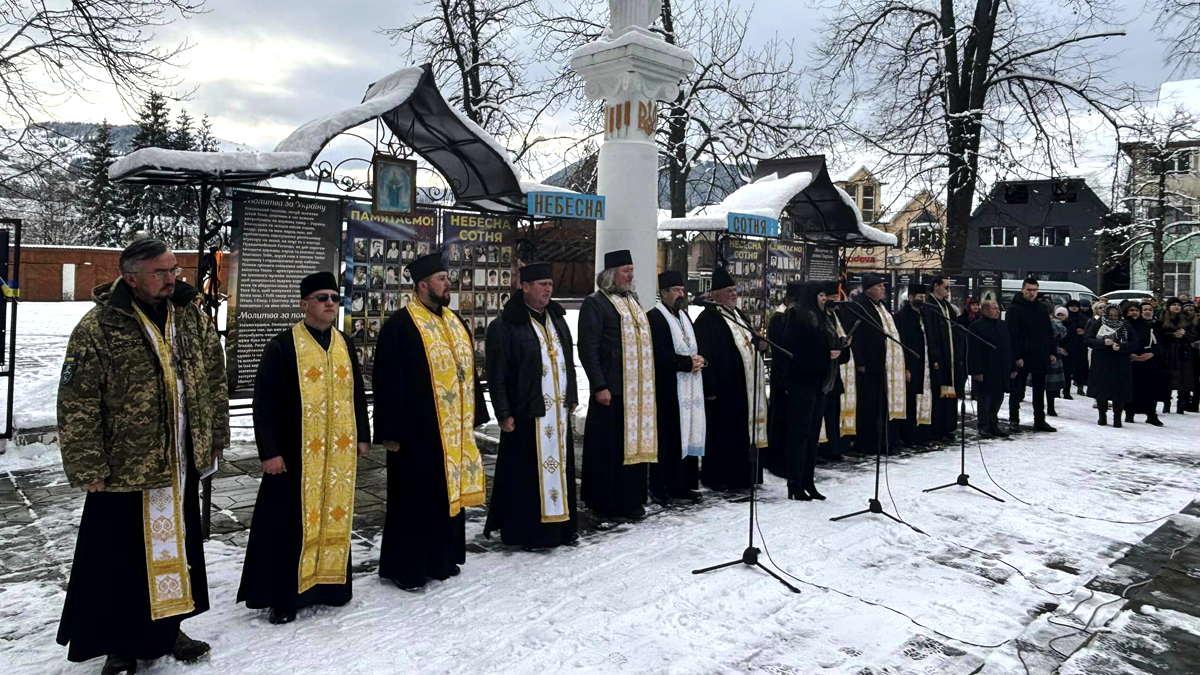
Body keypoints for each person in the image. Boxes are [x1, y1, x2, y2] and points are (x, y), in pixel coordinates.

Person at [56, 238, 228, 674]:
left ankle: (169, 628)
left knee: (179, 548)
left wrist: (215, 437)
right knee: (121, 558)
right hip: (126, 466)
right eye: (161, 272)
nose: (172, 278)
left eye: (174, 270)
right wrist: (87, 465)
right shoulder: (99, 327)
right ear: (130, 277)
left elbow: (213, 379)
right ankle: (120, 644)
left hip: (179, 463)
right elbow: (77, 400)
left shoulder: (191, 317)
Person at [238, 272, 370, 624]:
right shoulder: (282, 346)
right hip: (294, 457)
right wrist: (269, 452)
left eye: (335, 297)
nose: (330, 303)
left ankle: (330, 586)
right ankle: (284, 597)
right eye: (322, 297)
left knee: (333, 518)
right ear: (304, 304)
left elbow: (356, 393)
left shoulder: (344, 343)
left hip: (336, 455)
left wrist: (362, 435)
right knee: (288, 526)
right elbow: (263, 404)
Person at [373, 252, 489, 590]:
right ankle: (406, 569)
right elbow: (387, 382)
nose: (447, 283)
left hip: (452, 433)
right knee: (412, 501)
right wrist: (390, 432)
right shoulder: (400, 325)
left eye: (446, 278)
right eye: (441, 279)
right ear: (423, 285)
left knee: (444, 497)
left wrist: (476, 414)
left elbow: (468, 372)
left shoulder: (454, 321)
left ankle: (441, 559)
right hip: (414, 434)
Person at [484, 263, 580, 550]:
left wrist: (572, 394)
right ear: (524, 287)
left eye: (550, 283)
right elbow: (497, 373)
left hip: (557, 413)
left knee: (559, 469)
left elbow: (567, 360)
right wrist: (503, 413)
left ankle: (561, 528)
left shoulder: (557, 318)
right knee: (525, 477)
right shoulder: (504, 325)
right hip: (527, 413)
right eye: (541, 284)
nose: (548, 289)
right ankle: (526, 532)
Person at [578, 250, 657, 521]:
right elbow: (589, 348)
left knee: (633, 449)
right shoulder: (596, 303)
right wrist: (599, 384)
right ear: (611, 275)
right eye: (626, 270)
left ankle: (631, 499)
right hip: (611, 391)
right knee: (608, 450)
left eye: (632, 270)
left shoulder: (633, 302)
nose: (631, 275)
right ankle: (605, 501)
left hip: (637, 393)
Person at [695, 264, 768, 491]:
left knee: (741, 434)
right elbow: (706, 355)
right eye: (728, 291)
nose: (734, 294)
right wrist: (710, 389)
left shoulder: (737, 314)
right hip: (724, 389)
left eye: (735, 290)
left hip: (744, 387)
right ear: (716, 295)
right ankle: (720, 478)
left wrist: (762, 345)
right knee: (723, 435)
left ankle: (744, 476)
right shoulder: (707, 320)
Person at [782, 282, 846, 501]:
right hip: (803, 382)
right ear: (810, 296)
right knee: (800, 435)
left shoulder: (824, 317)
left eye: (823, 295)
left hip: (821, 383)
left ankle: (808, 481)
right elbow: (796, 350)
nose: (823, 298)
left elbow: (833, 349)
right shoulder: (798, 316)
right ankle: (795, 483)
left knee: (812, 436)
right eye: (819, 294)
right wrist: (826, 354)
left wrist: (842, 347)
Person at [647, 270, 706, 503]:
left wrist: (702, 360)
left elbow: (694, 347)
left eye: (682, 290)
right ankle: (662, 486)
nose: (681, 294)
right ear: (663, 293)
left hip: (690, 386)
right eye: (675, 290)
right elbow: (657, 354)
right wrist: (686, 362)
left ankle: (683, 484)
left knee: (689, 431)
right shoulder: (655, 317)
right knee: (669, 437)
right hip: (669, 389)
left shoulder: (684, 317)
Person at [842, 273, 906, 455]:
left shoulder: (882, 307)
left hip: (887, 365)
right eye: (879, 286)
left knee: (885, 403)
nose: (883, 289)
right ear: (869, 289)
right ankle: (870, 442)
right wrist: (860, 361)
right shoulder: (858, 306)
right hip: (870, 365)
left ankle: (888, 439)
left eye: (884, 286)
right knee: (870, 405)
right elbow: (856, 336)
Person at [1006, 278, 1058, 432]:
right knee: (1017, 390)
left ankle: (1039, 420)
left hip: (1040, 355)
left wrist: (1051, 351)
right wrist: (1016, 356)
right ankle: (1013, 419)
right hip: (1022, 355)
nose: (1031, 293)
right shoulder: (1014, 309)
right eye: (1029, 290)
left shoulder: (1041, 308)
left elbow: (1048, 332)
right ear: (1023, 289)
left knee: (1039, 390)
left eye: (1034, 290)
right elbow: (1012, 335)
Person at [765, 282, 801, 477]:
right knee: (780, 419)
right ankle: (777, 460)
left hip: (793, 376)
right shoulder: (779, 318)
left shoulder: (792, 316)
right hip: (782, 376)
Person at [1085, 303, 1140, 426]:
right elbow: (1088, 339)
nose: (1113, 318)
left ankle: (1117, 417)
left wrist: (1121, 347)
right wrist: (1103, 342)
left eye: (1116, 315)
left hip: (1120, 362)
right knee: (1101, 389)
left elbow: (1135, 342)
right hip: (1102, 361)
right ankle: (1102, 415)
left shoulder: (1126, 325)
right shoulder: (1098, 324)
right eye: (1110, 315)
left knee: (1119, 390)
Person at [819, 282, 856, 461]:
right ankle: (824, 449)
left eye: (836, 298)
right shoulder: (820, 317)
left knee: (834, 413)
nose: (835, 302)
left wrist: (844, 343)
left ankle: (835, 447)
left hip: (837, 373)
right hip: (824, 371)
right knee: (824, 414)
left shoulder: (836, 315)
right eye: (831, 298)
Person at [893, 284, 934, 447]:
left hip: (925, 363)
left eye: (924, 297)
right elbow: (902, 343)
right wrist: (906, 367)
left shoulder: (925, 314)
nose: (922, 300)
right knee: (911, 400)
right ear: (910, 298)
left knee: (924, 398)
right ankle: (909, 435)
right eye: (919, 297)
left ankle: (922, 434)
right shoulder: (901, 317)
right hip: (912, 363)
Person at [967, 300, 1015, 437]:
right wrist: (976, 371)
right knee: (984, 399)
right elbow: (973, 351)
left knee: (997, 398)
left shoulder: (1003, 325)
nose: (997, 311)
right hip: (985, 369)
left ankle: (993, 424)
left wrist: (1012, 366)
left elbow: (1009, 346)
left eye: (998, 308)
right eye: (994, 309)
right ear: (985, 311)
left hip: (1001, 368)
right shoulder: (976, 326)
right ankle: (983, 426)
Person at [925, 276, 964, 441]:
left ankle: (948, 426)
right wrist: (935, 356)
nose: (949, 291)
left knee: (950, 392)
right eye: (947, 288)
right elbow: (931, 334)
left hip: (951, 358)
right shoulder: (930, 306)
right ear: (936, 287)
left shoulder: (947, 307)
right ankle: (937, 428)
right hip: (939, 358)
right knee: (939, 393)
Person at [1128, 301, 1164, 426]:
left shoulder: (1148, 326)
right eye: (1132, 310)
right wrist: (1131, 355)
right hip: (1130, 361)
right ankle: (1129, 413)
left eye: (1136, 310)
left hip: (1148, 361)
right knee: (1132, 388)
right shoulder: (1125, 326)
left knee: (1150, 388)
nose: (1135, 313)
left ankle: (1151, 414)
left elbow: (1158, 344)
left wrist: (1151, 354)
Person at [1159, 297, 1196, 414]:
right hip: (1168, 353)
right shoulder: (1162, 319)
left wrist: (1185, 334)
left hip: (1183, 354)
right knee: (1167, 380)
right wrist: (1172, 335)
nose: (1176, 307)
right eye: (1174, 305)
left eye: (1178, 305)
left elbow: (1195, 336)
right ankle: (1166, 405)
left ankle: (1181, 406)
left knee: (1183, 381)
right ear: (1169, 307)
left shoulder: (1187, 320)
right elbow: (1159, 336)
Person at [1061, 300, 1088, 399]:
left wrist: (1083, 332)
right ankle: (1064, 388)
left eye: (1076, 306)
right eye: (1071, 306)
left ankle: (1080, 386)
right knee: (1066, 369)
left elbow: (1089, 330)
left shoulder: (1083, 318)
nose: (1074, 308)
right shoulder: (1066, 318)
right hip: (1067, 346)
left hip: (1080, 345)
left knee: (1080, 366)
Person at [1045, 304, 1068, 417]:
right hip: (1040, 353)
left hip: (1054, 353)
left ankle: (1051, 407)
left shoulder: (1055, 323)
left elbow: (1063, 333)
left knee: (1052, 383)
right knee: (1040, 383)